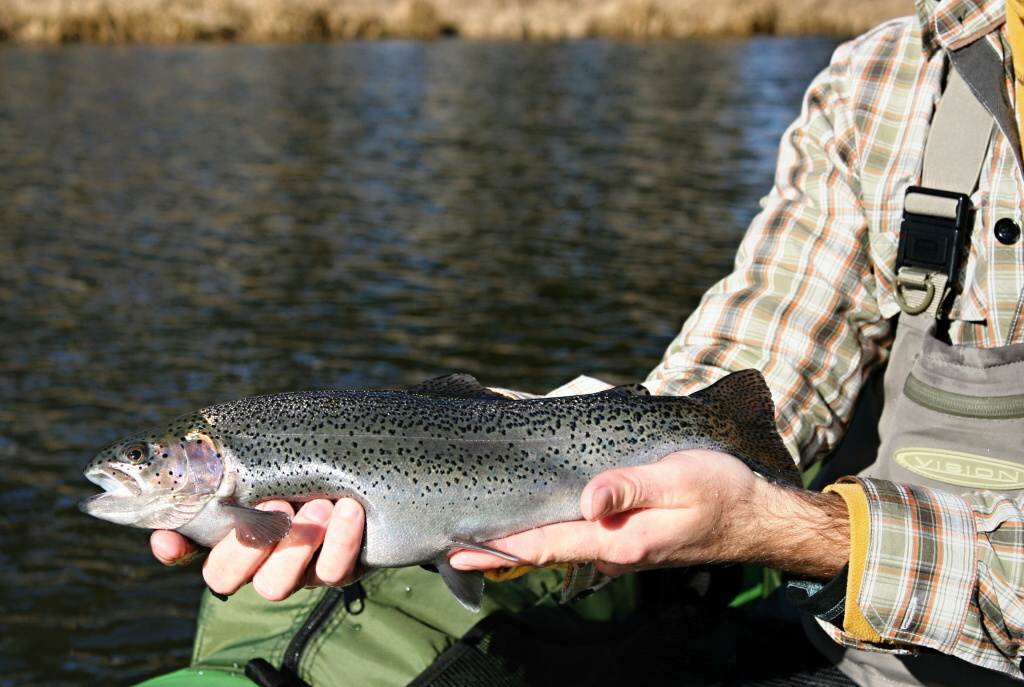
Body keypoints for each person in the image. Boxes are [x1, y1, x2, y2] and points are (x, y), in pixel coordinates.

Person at [151, 0, 1024, 684]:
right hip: (869, 653)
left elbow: (782, 517)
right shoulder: (889, 80)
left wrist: (802, 531)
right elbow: (760, 354)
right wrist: (552, 443)